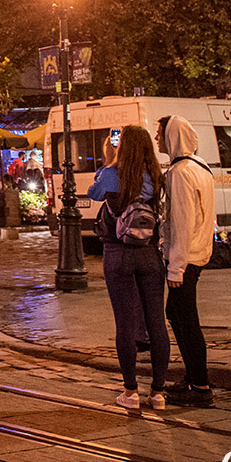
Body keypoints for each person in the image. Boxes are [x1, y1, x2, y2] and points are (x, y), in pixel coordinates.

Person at [88, 125, 170, 410]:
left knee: (124, 324)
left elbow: (93, 193)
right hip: (149, 253)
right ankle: (158, 393)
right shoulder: (157, 177)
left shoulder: (112, 173)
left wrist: (109, 160)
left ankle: (131, 391)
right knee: (155, 321)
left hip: (118, 251)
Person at [159, 114, 217, 407]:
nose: (157, 139)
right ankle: (193, 377)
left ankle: (201, 385)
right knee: (176, 314)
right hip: (198, 253)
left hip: (186, 257)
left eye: (160, 134)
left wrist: (176, 266)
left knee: (186, 320)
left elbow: (181, 221)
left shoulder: (180, 172)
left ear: (172, 137)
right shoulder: (201, 167)